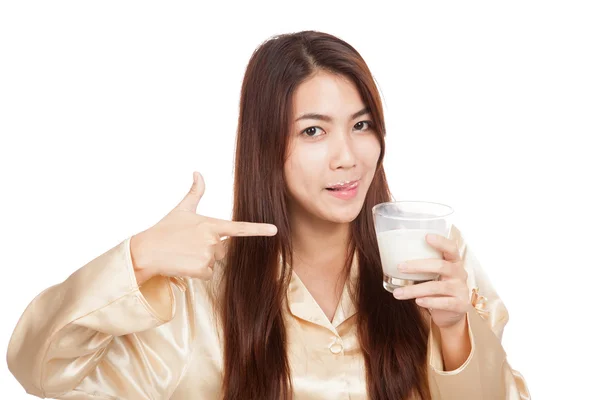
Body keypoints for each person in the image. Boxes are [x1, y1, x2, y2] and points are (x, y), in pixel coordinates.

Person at [6, 30, 530, 400]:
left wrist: (456, 330)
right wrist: (137, 258)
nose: (347, 156)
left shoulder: (429, 254)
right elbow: (41, 371)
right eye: (313, 131)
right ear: (265, 146)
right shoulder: (199, 291)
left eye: (362, 124)